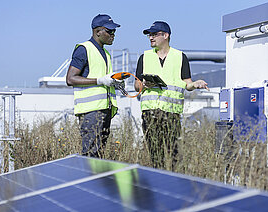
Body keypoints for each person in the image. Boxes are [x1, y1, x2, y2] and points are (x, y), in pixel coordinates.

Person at [134, 21, 209, 170]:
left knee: (173, 155)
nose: (150, 37)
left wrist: (195, 84)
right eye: (149, 35)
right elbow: (136, 85)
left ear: (165, 35)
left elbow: (187, 83)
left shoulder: (180, 57)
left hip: (171, 115)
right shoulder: (145, 57)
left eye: (154, 34)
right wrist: (144, 84)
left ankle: (172, 182)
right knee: (155, 155)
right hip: (150, 113)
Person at [66, 14, 124, 158]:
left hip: (104, 110)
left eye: (114, 31)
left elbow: (104, 80)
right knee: (91, 154)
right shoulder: (84, 49)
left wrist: (114, 83)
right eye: (109, 31)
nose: (113, 34)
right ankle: (89, 180)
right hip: (91, 112)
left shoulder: (105, 53)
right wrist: (100, 80)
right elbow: (70, 79)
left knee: (98, 154)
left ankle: (95, 180)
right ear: (98, 31)